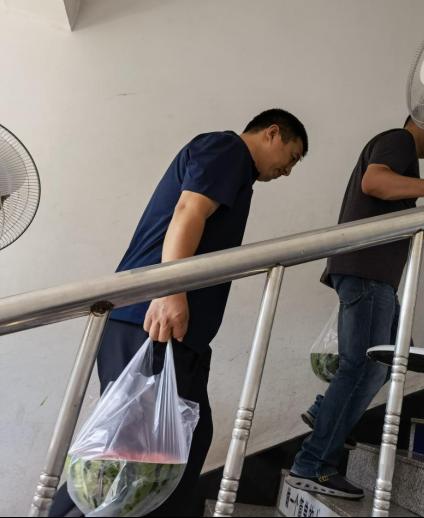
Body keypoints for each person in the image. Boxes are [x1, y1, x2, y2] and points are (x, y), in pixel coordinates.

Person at [49, 108, 308, 517]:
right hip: (152, 321)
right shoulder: (228, 150)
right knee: (131, 457)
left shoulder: (235, 170)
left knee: (166, 445)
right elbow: (189, 210)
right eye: (291, 158)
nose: (288, 171)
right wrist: (170, 290)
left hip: (166, 328)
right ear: (272, 133)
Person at [286, 116, 424, 499]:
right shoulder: (399, 140)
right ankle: (313, 464)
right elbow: (374, 182)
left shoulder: (401, 150)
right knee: (362, 368)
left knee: (392, 358)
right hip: (367, 273)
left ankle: (325, 412)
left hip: (371, 275)